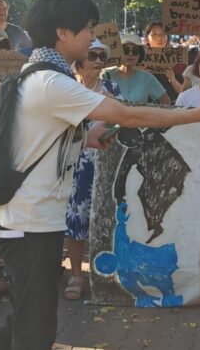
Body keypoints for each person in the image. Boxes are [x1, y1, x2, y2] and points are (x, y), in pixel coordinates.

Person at [0, 0, 200, 350]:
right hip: (29, 225)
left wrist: (88, 138)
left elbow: (46, 136)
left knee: (27, 317)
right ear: (63, 33)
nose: (93, 38)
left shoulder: (44, 75)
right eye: (88, 29)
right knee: (35, 327)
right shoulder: (51, 82)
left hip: (34, 222)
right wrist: (196, 114)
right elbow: (126, 114)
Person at [64, 40, 121, 300]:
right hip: (73, 163)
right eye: (93, 55)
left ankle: (103, 273)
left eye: (102, 56)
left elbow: (123, 121)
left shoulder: (112, 88)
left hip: (105, 162)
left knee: (105, 217)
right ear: (79, 62)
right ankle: (76, 273)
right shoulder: (66, 89)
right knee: (76, 219)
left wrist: (112, 108)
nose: (98, 60)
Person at [100, 34, 169, 105]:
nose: (130, 54)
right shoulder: (107, 75)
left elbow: (166, 102)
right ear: (119, 53)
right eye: (126, 50)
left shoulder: (147, 78)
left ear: (140, 55)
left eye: (135, 51)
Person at [143, 21, 183, 99]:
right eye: (154, 34)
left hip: (170, 107)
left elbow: (184, 93)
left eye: (163, 34)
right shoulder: (139, 60)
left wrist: (172, 79)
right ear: (147, 39)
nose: (159, 38)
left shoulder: (177, 60)